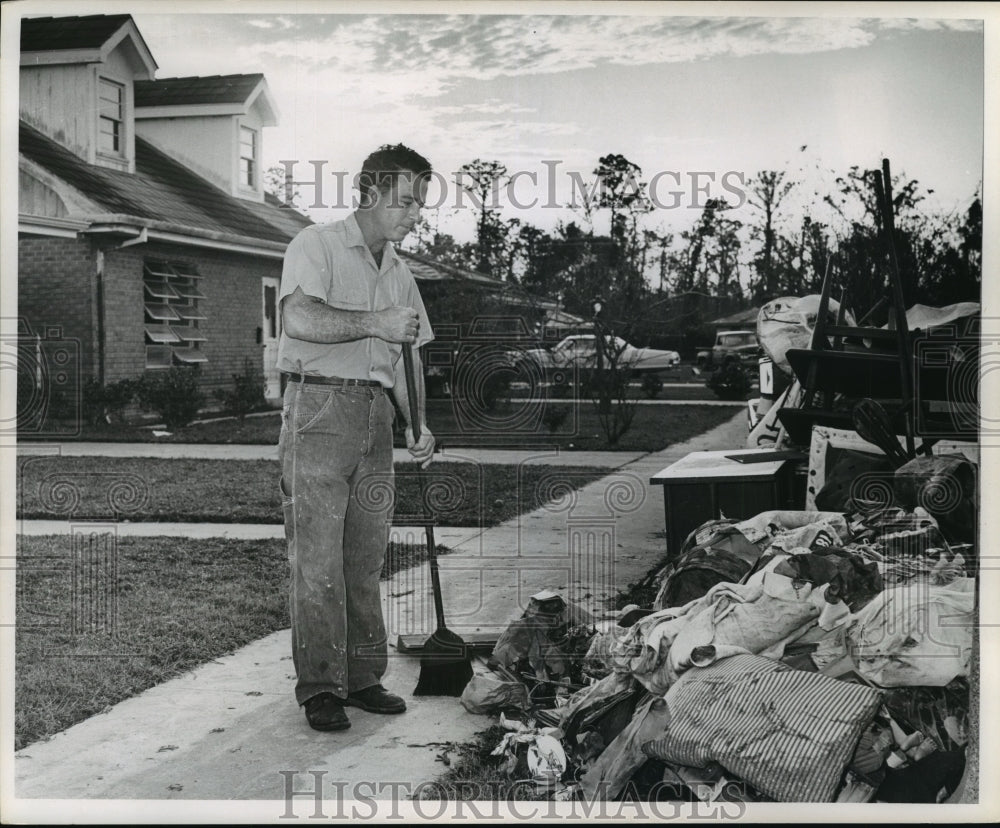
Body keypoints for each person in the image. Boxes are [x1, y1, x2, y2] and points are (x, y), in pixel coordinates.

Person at [276, 144, 436, 732]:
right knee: (317, 559)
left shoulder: (400, 271)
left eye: (422, 203)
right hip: (318, 407)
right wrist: (375, 322)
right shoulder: (314, 245)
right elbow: (299, 318)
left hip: (376, 419)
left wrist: (419, 426)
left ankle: (363, 677)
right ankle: (320, 686)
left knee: (365, 556)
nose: (417, 212)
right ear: (370, 193)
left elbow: (406, 359)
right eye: (408, 199)